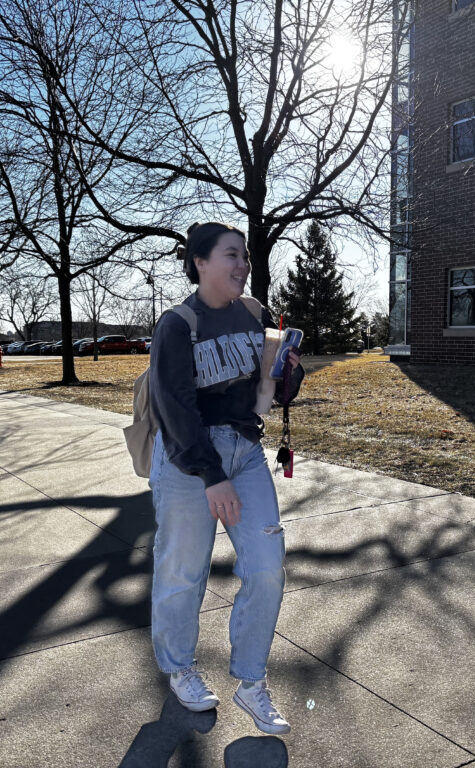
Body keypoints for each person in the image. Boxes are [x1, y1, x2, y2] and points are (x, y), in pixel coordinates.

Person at [148, 221, 305, 735]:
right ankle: (179, 668)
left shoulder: (254, 314)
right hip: (189, 459)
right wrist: (211, 475)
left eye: (245, 257)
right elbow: (174, 408)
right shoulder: (177, 324)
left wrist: (289, 372)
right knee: (183, 570)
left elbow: (272, 390)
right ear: (200, 262)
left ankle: (252, 682)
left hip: (246, 450)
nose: (243, 264)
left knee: (267, 566)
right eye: (232, 255)